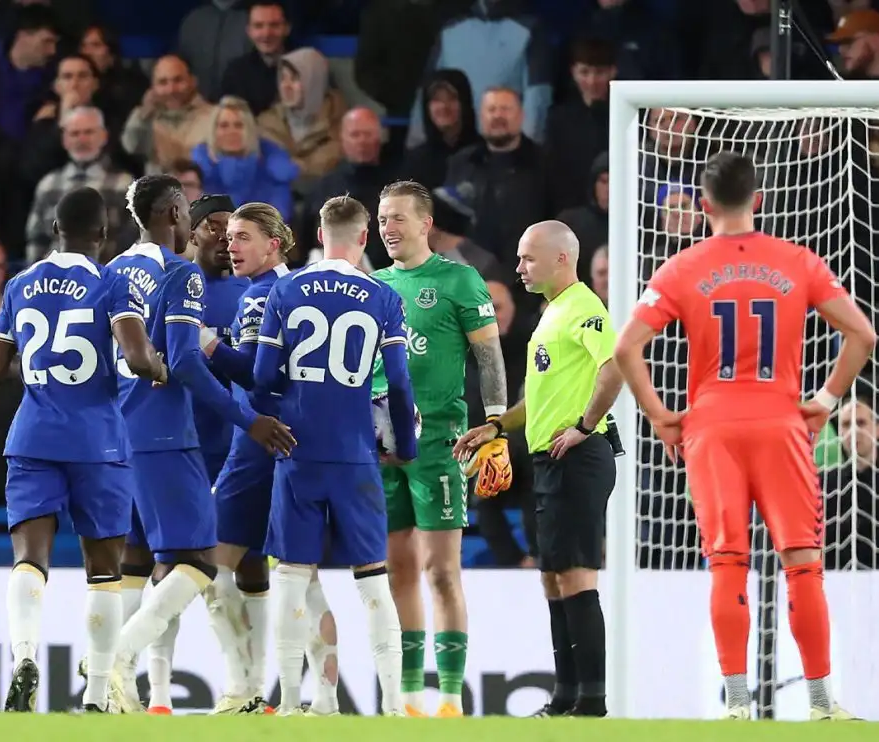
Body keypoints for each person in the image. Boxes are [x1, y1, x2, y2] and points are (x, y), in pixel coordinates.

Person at [612, 151, 873, 721]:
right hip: (780, 422)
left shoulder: (681, 267)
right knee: (802, 563)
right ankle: (824, 705)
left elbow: (625, 348)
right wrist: (826, 400)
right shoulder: (798, 261)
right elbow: (862, 334)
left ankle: (734, 704)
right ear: (757, 200)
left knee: (728, 560)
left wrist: (660, 415)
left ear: (704, 205)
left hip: (711, 426)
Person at [105, 175, 296, 715]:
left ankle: (235, 688)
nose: (210, 235)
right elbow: (189, 363)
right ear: (173, 213)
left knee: (160, 559)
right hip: (175, 436)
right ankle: (121, 668)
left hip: (125, 433)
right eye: (199, 218)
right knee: (197, 561)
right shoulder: (183, 275)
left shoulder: (116, 269)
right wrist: (249, 418)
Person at [0, 186, 168, 714]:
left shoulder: (20, 284)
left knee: (29, 560)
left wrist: (42, 370)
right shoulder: (111, 283)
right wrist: (159, 369)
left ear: (55, 230)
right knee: (105, 571)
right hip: (98, 441)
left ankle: (23, 655)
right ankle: (96, 693)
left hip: (34, 435)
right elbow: (135, 357)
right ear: (104, 234)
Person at [252, 195, 416, 717]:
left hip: (297, 452)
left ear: (320, 235)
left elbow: (261, 379)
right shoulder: (381, 295)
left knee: (292, 576)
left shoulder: (285, 289)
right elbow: (401, 386)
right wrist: (404, 447)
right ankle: (392, 703)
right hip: (355, 454)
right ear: (365, 238)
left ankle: (292, 700)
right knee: (372, 578)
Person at [455, 220, 623, 718]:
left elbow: (616, 367)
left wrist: (585, 427)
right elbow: (537, 400)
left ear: (561, 259)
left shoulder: (585, 307)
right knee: (553, 578)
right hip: (549, 461)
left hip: (578, 459)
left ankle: (591, 701)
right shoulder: (551, 314)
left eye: (529, 258)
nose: (520, 267)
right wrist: (495, 427)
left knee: (576, 577)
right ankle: (566, 696)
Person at [369, 180, 507, 717]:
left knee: (442, 572)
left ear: (426, 224)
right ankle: (407, 697)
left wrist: (494, 421)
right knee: (397, 570)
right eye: (382, 219)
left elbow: (490, 357)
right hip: (382, 446)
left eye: (398, 218)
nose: (389, 228)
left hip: (440, 443)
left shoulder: (459, 279)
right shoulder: (373, 286)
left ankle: (450, 697)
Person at [199, 202, 339, 714]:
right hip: (298, 443)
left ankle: (243, 685)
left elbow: (258, 377)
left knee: (208, 566)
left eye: (242, 237)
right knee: (301, 573)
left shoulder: (261, 296)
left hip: (258, 445)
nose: (229, 245)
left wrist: (202, 342)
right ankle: (322, 697)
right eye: (228, 237)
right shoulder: (299, 289)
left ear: (274, 243)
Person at [188, 194, 251, 482]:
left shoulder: (254, 291)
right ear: (192, 235)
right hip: (188, 438)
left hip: (241, 438)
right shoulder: (175, 287)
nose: (225, 239)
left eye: (232, 231)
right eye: (213, 228)